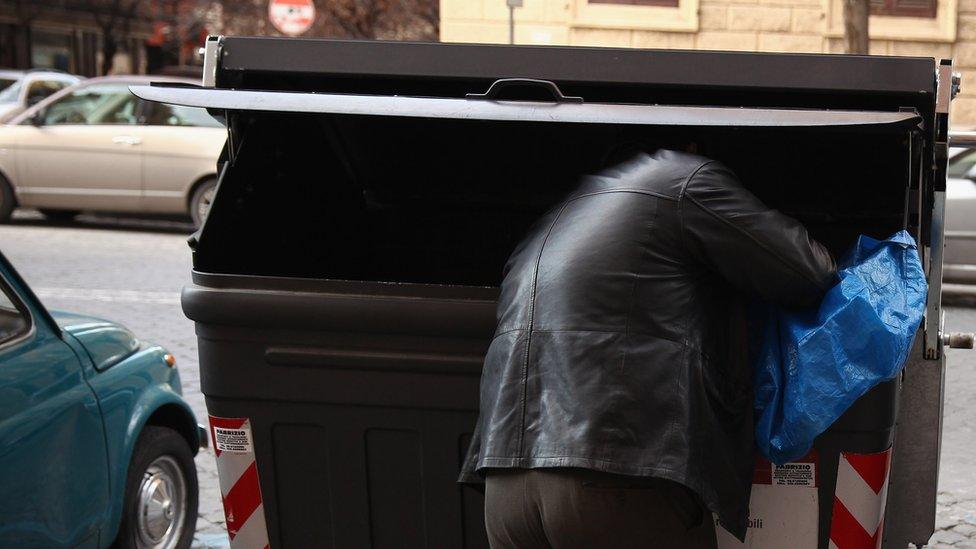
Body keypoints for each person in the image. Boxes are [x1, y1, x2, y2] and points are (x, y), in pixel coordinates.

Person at [458, 148, 837, 548]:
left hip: (507, 488)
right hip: (612, 476)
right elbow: (807, 272)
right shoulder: (685, 180)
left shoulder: (559, 214)